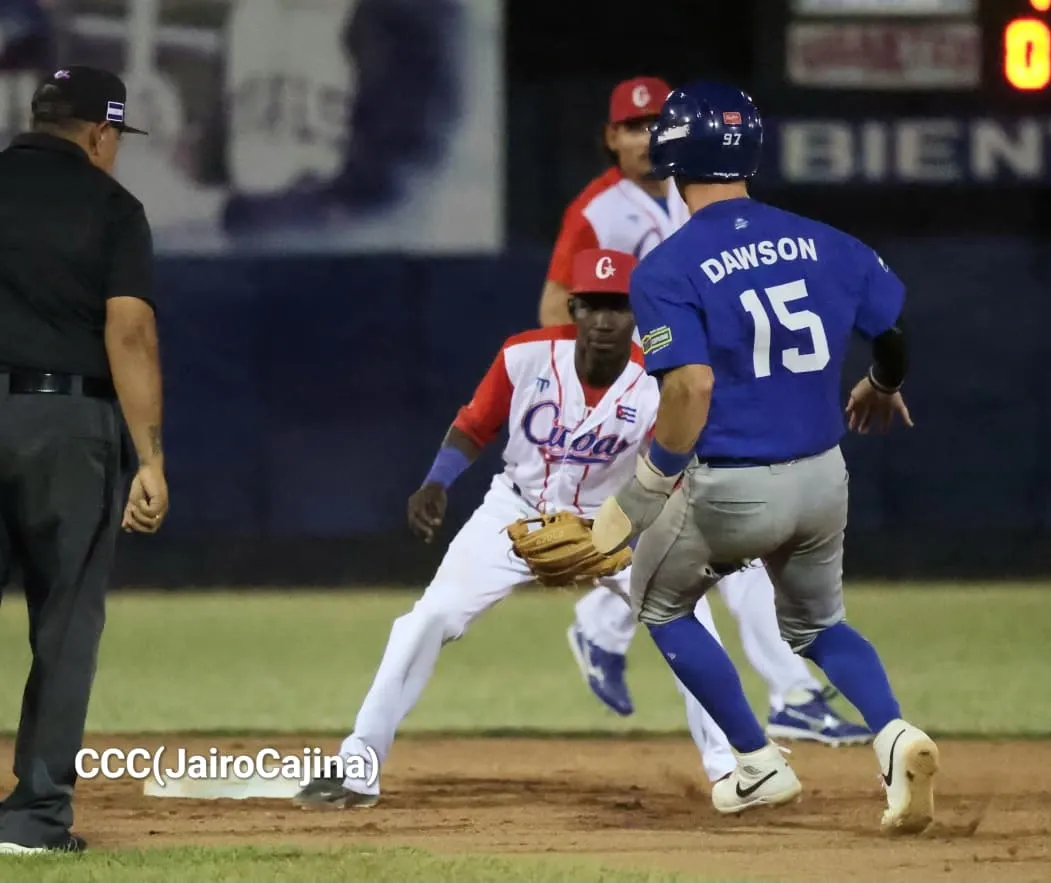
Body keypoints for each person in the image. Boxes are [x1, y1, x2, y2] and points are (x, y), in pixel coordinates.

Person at [295, 249, 765, 809]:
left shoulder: (658, 382)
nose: (604, 319)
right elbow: (474, 424)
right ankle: (357, 765)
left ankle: (734, 768)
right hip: (512, 512)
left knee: (691, 626)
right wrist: (437, 482)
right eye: (593, 305)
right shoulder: (524, 356)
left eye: (617, 306)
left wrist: (646, 533)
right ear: (574, 308)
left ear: (636, 313)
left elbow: (670, 471)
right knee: (427, 618)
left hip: (617, 519)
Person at [591, 81, 939, 833]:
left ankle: (755, 762)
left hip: (730, 487)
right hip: (822, 478)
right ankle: (892, 732)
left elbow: (689, 386)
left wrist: (642, 492)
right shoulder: (828, 241)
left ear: (671, 156)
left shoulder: (666, 268)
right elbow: (892, 329)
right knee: (819, 626)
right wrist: (883, 384)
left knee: (658, 603)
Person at [543, 76, 869, 746]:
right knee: (730, 537)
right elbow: (556, 306)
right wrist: (589, 389)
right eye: (631, 127)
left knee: (713, 534)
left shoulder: (694, 191)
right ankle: (793, 694)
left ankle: (602, 627)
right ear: (611, 137)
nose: (643, 138)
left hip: (700, 384)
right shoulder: (596, 211)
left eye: (653, 125)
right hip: (645, 388)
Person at [0, 65, 168, 854]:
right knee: (65, 624)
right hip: (67, 423)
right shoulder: (112, 207)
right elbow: (128, 332)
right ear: (101, 132)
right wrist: (150, 459)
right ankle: (34, 818)